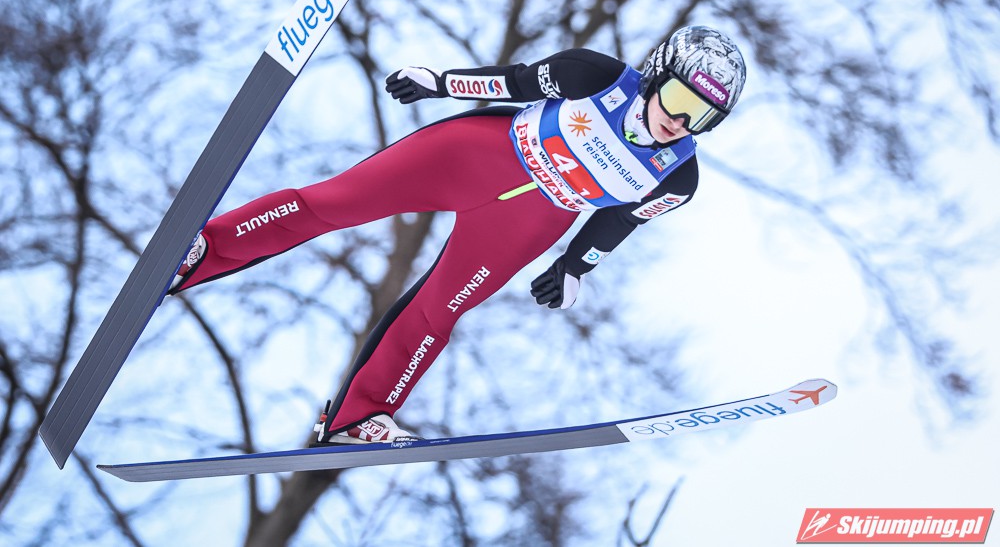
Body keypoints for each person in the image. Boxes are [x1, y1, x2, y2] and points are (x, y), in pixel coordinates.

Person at [168, 25, 748, 445]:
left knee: (438, 312)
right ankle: (203, 251)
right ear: (656, 75)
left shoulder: (679, 178)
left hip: (529, 221)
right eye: (679, 100)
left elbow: (618, 221)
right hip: (476, 156)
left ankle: (355, 419)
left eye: (701, 117)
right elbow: (517, 81)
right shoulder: (594, 75)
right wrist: (440, 83)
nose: (680, 121)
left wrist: (575, 267)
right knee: (333, 203)